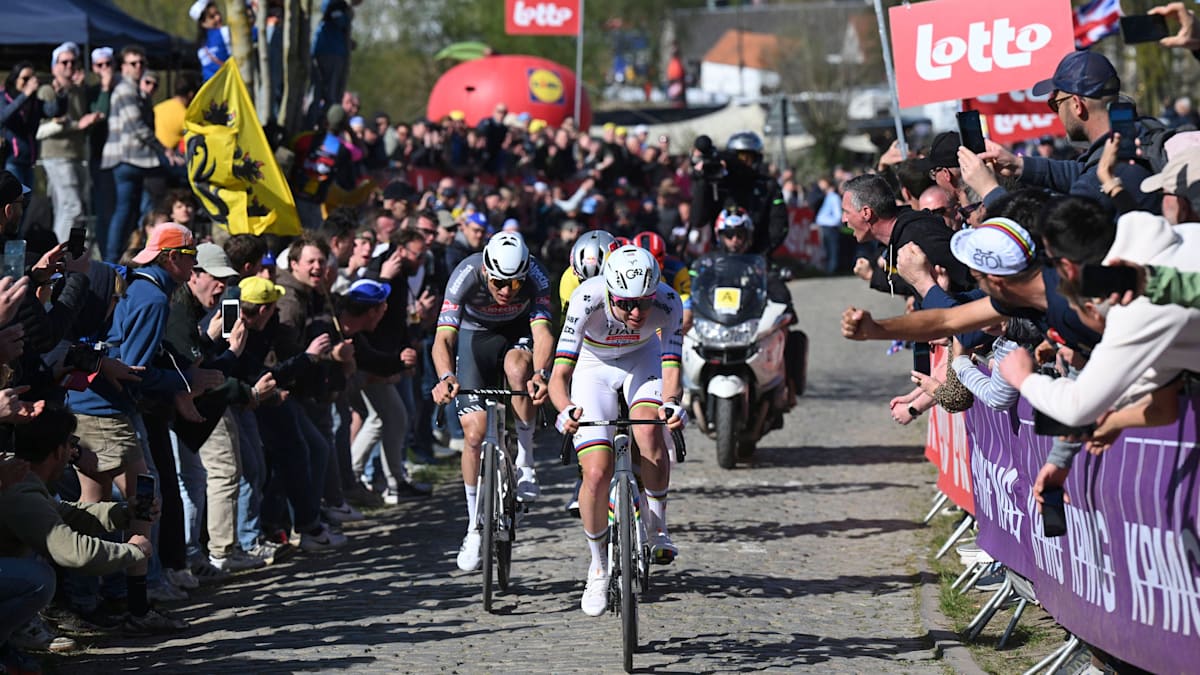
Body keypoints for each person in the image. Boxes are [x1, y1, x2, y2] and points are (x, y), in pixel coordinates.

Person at [549, 245, 687, 616]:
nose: (637, 313)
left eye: (644, 303)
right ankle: (597, 567)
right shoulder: (586, 299)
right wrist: (565, 410)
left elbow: (672, 367)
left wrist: (672, 403)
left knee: (649, 432)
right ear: (610, 293)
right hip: (593, 367)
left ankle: (658, 527)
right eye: (626, 305)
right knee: (596, 472)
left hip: (642, 360)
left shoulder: (669, 302)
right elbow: (559, 375)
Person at [430, 233, 554, 572]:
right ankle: (473, 526)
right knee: (474, 435)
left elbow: (543, 334)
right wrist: (445, 377)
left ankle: (526, 461)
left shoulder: (536, 276)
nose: (507, 291)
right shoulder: (465, 274)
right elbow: (444, 337)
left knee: (519, 371)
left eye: (515, 284)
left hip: (518, 334)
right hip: (475, 338)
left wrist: (541, 374)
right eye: (499, 283)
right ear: (486, 271)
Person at [964, 50, 1159, 215]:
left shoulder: (1098, 182)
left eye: (1055, 104)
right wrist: (1018, 165)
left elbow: (1043, 236)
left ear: (1077, 105)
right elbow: (1082, 171)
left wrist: (989, 190)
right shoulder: (1144, 134)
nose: (1056, 113)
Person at [100, 45, 182, 263]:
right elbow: (138, 127)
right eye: (133, 63)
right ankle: (112, 260)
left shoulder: (137, 92)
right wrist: (165, 150)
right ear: (123, 67)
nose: (138, 67)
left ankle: (127, 256)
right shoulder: (126, 90)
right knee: (125, 210)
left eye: (141, 63)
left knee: (131, 211)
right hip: (129, 158)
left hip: (135, 160)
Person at [38, 42, 103, 244]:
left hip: (76, 156)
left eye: (73, 62)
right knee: (72, 208)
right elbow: (43, 127)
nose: (69, 65)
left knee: (66, 209)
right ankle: (61, 255)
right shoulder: (47, 91)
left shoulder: (77, 91)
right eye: (64, 62)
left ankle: (67, 254)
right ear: (54, 67)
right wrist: (78, 124)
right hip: (57, 156)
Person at [690, 132, 788, 256]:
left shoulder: (768, 186)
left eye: (746, 158)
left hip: (756, 257)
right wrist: (701, 182)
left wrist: (762, 254)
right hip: (721, 258)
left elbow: (779, 226)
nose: (741, 163)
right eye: (738, 158)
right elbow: (698, 220)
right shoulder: (718, 184)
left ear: (756, 159)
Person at [814, 177, 843, 275]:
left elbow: (838, 215)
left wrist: (834, 223)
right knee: (827, 249)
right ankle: (829, 268)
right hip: (826, 226)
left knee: (832, 249)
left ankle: (832, 269)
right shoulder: (828, 197)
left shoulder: (834, 197)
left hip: (830, 227)